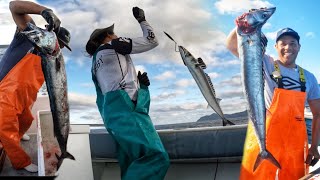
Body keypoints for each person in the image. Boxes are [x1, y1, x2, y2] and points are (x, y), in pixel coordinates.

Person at [226, 11, 320, 179]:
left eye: (293, 43)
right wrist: (242, 26)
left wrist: (314, 146)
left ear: (299, 47)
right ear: (276, 47)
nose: (288, 47)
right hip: (266, 137)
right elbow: (233, 46)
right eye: (282, 43)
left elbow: (317, 114)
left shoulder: (310, 78)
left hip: (296, 142)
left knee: (295, 176)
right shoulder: (264, 62)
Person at [85, 6, 169, 180]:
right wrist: (142, 20)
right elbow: (152, 41)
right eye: (113, 34)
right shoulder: (114, 45)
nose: (116, 36)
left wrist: (142, 88)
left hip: (112, 117)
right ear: (107, 36)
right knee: (156, 157)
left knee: (131, 161)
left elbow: (116, 87)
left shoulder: (96, 63)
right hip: (127, 114)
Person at [0, 0, 71, 173]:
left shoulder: (54, 57)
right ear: (52, 36)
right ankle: (20, 161)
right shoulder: (29, 33)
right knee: (4, 127)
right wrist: (45, 11)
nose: (60, 48)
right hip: (5, 93)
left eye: (62, 47)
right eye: (60, 44)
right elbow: (13, 6)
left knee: (26, 120)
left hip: (25, 95)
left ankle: (16, 136)